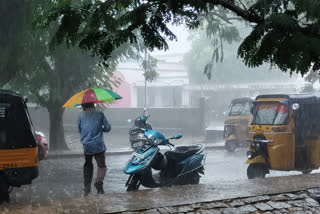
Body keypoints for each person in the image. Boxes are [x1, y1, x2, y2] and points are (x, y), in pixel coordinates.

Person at [77, 102, 111, 196]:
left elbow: (79, 130)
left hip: (87, 146)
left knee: (88, 165)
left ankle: (87, 186)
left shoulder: (80, 116)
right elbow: (108, 128)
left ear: (84, 106)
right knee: (101, 165)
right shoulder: (100, 114)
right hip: (98, 145)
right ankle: (99, 182)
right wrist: (100, 128)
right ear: (93, 105)